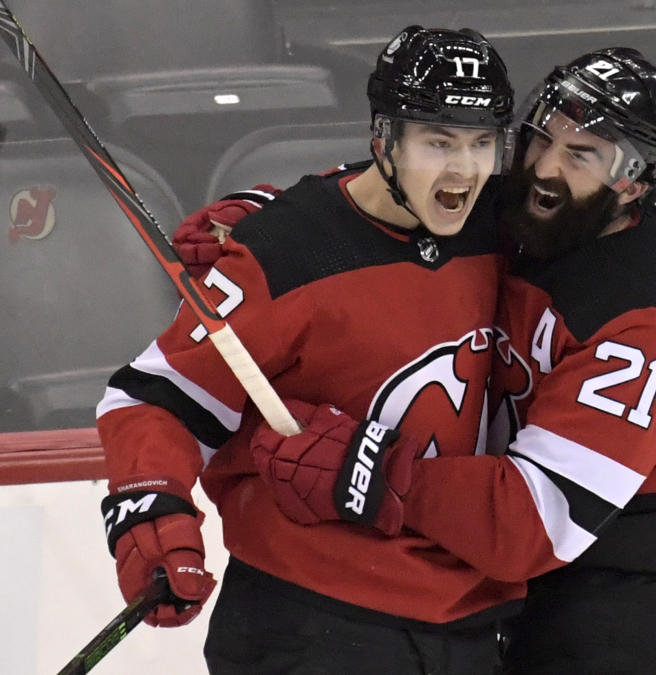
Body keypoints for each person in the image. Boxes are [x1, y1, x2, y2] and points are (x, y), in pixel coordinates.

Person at [198, 49, 656, 674]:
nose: (545, 167)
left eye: (582, 154)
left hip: (623, 596)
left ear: (635, 181)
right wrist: (271, 217)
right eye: (540, 139)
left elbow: (538, 522)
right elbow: (399, 182)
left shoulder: (638, 308)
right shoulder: (526, 211)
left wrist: (368, 468)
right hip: (511, 581)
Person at [96, 25, 520, 674]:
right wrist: (153, 508)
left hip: (477, 622)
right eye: (438, 142)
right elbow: (154, 399)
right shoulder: (285, 253)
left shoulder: (509, 230)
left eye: (482, 143)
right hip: (314, 624)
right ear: (384, 139)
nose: (464, 168)